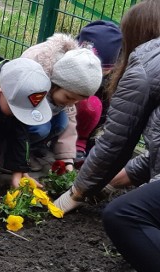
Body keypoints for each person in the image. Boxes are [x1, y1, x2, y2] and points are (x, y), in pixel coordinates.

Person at [54, 0, 160, 272]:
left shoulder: (145, 63)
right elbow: (155, 156)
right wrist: (117, 180)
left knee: (123, 216)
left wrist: (77, 191)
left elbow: (115, 143)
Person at [0, 57, 52, 202]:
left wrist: (20, 172)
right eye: (15, 110)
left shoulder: (18, 88)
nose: (18, 115)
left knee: (15, 124)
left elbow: (21, 132)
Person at [19, 34, 103, 171]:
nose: (71, 103)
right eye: (69, 97)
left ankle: (32, 148)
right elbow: (15, 120)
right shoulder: (35, 84)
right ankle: (8, 154)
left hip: (39, 111)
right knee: (41, 128)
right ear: (55, 83)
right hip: (16, 118)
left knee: (63, 121)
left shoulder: (64, 90)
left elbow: (70, 125)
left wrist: (67, 160)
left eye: (77, 100)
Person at [58, 21, 123, 168]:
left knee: (94, 105)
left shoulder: (120, 74)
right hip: (66, 112)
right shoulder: (66, 59)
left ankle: (82, 141)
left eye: (99, 70)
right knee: (85, 103)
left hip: (96, 118)